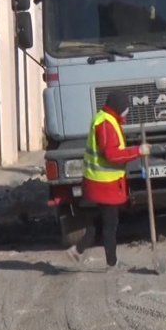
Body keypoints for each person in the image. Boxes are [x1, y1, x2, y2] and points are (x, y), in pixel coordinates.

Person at [67, 90, 150, 269]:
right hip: (104, 185)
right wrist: (138, 151)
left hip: (98, 183)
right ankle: (111, 263)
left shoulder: (106, 119)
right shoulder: (105, 124)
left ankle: (77, 250)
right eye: (124, 110)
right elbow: (111, 155)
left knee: (97, 224)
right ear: (117, 108)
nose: (126, 114)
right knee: (109, 225)